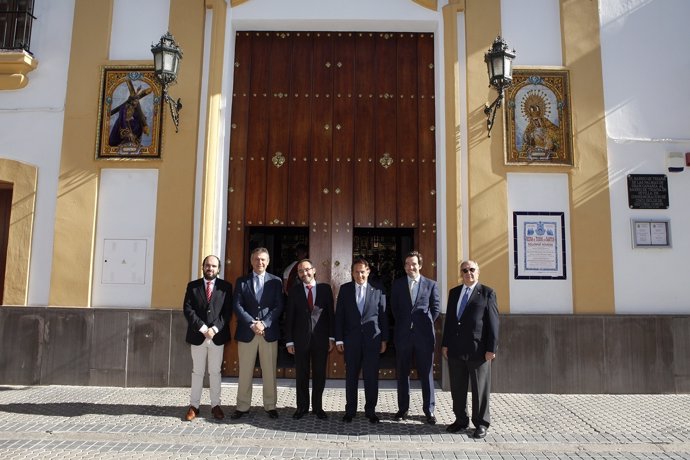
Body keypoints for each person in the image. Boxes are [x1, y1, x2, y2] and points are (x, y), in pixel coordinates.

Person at [442, 260, 499, 438]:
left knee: (479, 389)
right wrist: (445, 344)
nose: (468, 273)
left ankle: (481, 423)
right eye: (464, 270)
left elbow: (493, 323)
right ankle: (460, 420)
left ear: (478, 272)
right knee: (457, 387)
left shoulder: (487, 293)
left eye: (472, 269)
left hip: (478, 350)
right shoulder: (454, 293)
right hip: (456, 350)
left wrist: (491, 348)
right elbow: (450, 321)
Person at [231, 247, 284, 419]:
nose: (259, 262)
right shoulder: (242, 281)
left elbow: (278, 306)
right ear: (251, 261)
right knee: (245, 371)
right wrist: (252, 323)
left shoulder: (276, 282)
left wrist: (265, 323)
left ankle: (270, 406)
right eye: (256, 259)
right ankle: (242, 406)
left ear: (268, 262)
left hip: (268, 332)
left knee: (269, 371)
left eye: (263, 259)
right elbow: (237, 305)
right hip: (248, 332)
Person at [335, 258, 389, 423]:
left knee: (371, 377)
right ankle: (350, 410)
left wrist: (385, 339)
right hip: (351, 341)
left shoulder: (378, 289)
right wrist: (338, 339)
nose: (360, 275)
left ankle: (370, 411)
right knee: (351, 376)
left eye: (362, 272)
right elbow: (340, 316)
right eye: (356, 272)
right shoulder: (345, 290)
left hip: (372, 339)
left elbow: (383, 316)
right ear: (352, 273)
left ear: (368, 272)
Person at [390, 251, 440, 424]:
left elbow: (435, 309)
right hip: (403, 335)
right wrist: (406, 324)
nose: (410, 267)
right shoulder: (397, 285)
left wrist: (422, 325)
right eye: (407, 264)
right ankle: (402, 409)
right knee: (402, 374)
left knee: (426, 374)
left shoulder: (431, 285)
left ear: (420, 265)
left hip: (424, 336)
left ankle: (429, 410)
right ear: (404, 266)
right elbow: (394, 309)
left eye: (413, 264)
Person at [182, 255, 233, 421]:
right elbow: (188, 310)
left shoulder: (226, 287)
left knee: (215, 372)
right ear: (203, 267)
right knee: (197, 372)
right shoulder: (193, 286)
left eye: (213, 266)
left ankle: (215, 405)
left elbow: (227, 312)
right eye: (207, 265)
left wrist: (215, 329)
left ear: (219, 269)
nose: (210, 268)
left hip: (217, 337)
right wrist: (203, 328)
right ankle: (194, 406)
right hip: (198, 335)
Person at [284, 259, 335, 419]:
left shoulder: (325, 289)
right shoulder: (294, 291)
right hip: (300, 340)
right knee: (302, 374)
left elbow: (330, 316)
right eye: (300, 271)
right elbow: (289, 317)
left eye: (306, 270)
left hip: (321, 340)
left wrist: (332, 337)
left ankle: (318, 407)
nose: (304, 273)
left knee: (319, 374)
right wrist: (289, 341)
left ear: (313, 270)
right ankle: (302, 407)